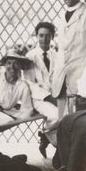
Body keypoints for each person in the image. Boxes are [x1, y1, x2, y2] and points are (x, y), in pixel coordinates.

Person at [51, 0, 86, 118]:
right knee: (62, 119)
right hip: (61, 75)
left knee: (78, 118)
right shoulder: (61, 17)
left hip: (80, 72)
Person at [24, 22, 59, 157]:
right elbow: (29, 83)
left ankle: (45, 136)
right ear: (36, 36)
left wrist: (57, 95)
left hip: (56, 95)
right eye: (41, 36)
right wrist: (49, 97)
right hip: (39, 98)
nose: (44, 39)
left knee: (70, 115)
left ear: (52, 37)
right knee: (56, 116)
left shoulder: (56, 55)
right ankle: (56, 145)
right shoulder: (30, 56)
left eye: (47, 36)